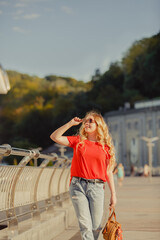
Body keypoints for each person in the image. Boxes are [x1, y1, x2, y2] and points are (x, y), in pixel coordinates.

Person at [50, 111, 117, 240]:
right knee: (85, 226)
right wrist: (70, 124)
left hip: (97, 188)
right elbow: (55, 137)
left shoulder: (105, 147)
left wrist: (113, 194)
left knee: (96, 226)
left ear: (99, 125)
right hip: (77, 186)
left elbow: (108, 172)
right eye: (85, 121)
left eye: (90, 121)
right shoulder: (78, 141)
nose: (87, 123)